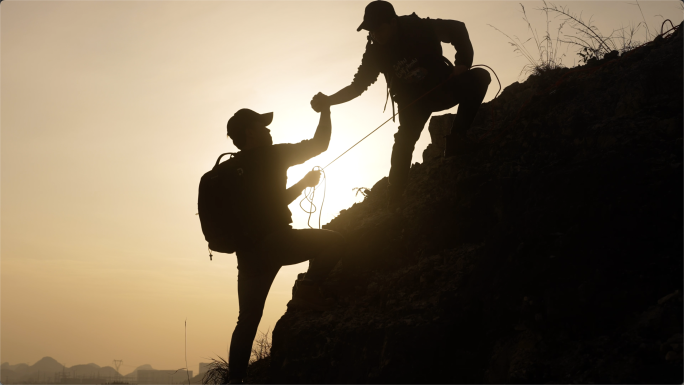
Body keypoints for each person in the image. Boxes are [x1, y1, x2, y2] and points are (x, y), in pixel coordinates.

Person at [310, 0, 491, 209]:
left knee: (479, 78)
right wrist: (330, 100)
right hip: (412, 104)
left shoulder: (419, 26)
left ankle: (457, 138)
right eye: (370, 31)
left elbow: (457, 28)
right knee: (404, 143)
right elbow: (358, 86)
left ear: (393, 22)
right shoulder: (375, 52)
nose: (375, 35)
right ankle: (394, 198)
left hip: (442, 88)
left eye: (378, 29)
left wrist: (463, 63)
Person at [224, 103, 345, 383]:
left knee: (247, 320)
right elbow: (320, 144)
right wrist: (325, 110)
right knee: (336, 242)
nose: (269, 130)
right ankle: (309, 289)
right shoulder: (274, 154)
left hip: (248, 255)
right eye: (263, 127)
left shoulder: (232, 170)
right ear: (250, 132)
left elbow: (270, 204)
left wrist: (302, 184)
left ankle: (234, 380)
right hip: (278, 241)